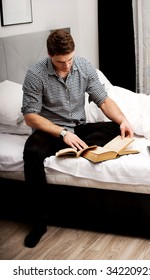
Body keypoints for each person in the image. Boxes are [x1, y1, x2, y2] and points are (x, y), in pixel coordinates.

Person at [21, 29, 134, 248]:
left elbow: (102, 100)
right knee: (32, 152)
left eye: (70, 59)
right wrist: (62, 134)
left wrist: (123, 120)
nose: (67, 66)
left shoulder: (83, 66)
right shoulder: (35, 75)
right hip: (50, 131)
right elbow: (30, 117)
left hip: (78, 129)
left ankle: (77, 147)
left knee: (113, 129)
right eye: (61, 62)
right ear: (49, 54)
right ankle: (39, 222)